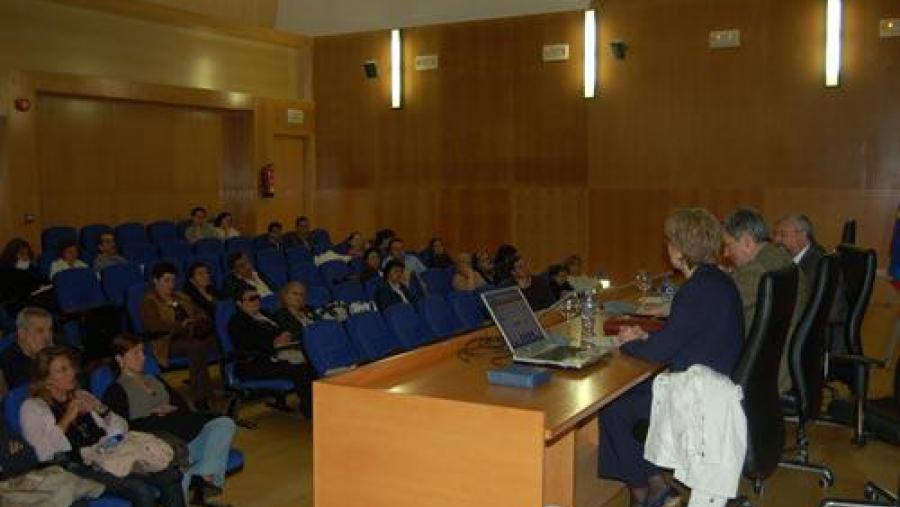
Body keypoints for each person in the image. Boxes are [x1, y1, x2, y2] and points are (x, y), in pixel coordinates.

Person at [599, 208, 744, 507]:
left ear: (679, 250)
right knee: (629, 396)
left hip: (699, 398)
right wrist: (646, 338)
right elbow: (683, 338)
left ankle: (644, 491)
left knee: (614, 407)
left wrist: (627, 342)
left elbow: (658, 352)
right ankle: (654, 484)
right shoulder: (717, 281)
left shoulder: (696, 290)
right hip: (710, 382)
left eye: (669, 242)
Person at [20, 346, 186, 507]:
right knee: (140, 489)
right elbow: (40, 453)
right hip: (78, 467)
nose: (72, 373)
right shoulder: (33, 408)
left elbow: (122, 429)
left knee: (169, 474)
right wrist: (67, 418)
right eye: (62, 370)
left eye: (70, 367)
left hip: (110, 453)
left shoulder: (81, 395)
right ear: (46, 379)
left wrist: (102, 410)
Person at [102, 334, 236, 501]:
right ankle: (203, 477)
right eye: (136, 353)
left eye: (143, 352)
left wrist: (172, 408)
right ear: (119, 359)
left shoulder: (155, 379)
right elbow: (123, 430)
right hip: (163, 445)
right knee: (178, 471)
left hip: (187, 438)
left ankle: (203, 473)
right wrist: (152, 414)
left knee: (225, 424)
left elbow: (183, 407)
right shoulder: (116, 391)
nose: (143, 357)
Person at [723, 207, 807, 393]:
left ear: (747, 242)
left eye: (728, 245)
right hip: (787, 362)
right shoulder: (777, 257)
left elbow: (719, 306)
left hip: (769, 371)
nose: (726, 254)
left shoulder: (759, 271)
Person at [227, 287, 314, 419]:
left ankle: (317, 403)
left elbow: (280, 329)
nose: (256, 301)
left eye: (257, 297)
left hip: (279, 353)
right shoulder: (237, 322)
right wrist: (273, 344)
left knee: (312, 361)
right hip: (254, 362)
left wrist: (285, 335)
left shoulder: (264, 313)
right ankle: (309, 411)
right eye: (251, 299)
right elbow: (246, 346)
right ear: (239, 303)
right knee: (301, 369)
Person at [139, 262, 215, 408]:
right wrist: (182, 325)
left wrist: (198, 320)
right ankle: (201, 398)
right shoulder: (148, 301)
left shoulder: (180, 296)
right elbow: (154, 325)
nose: (170, 285)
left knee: (212, 342)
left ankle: (210, 389)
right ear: (156, 281)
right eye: (166, 280)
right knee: (197, 347)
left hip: (191, 336)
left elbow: (199, 311)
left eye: (173, 280)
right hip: (166, 341)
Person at [0, 307, 54, 395]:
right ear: (22, 334)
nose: (47, 337)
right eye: (40, 331)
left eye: (50, 330)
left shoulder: (52, 353)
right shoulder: (9, 362)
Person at [0, 238, 54, 315]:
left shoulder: (29, 266)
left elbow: (41, 279)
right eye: (22, 254)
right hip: (14, 304)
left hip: (32, 299)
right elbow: (11, 293)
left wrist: (45, 285)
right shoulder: (4, 270)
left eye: (27, 254)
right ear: (12, 254)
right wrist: (35, 287)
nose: (26, 257)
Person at [272, 282, 316, 361]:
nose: (299, 297)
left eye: (302, 294)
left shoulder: (310, 309)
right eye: (295, 294)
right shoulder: (280, 314)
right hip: (299, 349)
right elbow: (291, 335)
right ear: (285, 296)